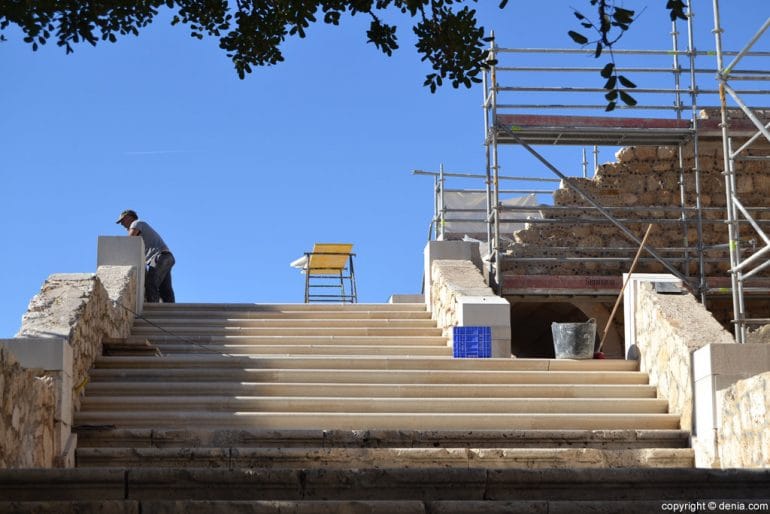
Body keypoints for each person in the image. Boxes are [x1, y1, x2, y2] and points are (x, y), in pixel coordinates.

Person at [116, 209, 176, 303]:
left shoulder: (136, 223)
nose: (122, 224)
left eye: (123, 221)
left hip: (159, 257)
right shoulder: (141, 225)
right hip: (167, 257)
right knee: (165, 289)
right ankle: (172, 312)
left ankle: (154, 311)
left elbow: (129, 241)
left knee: (150, 283)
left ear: (129, 217)